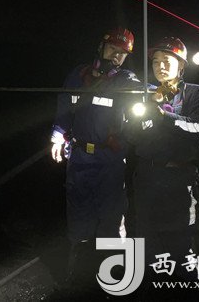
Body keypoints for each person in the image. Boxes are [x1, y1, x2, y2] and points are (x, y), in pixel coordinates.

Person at [50, 27, 140, 284]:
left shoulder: (123, 79)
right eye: (113, 49)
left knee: (111, 214)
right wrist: (57, 135)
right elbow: (64, 109)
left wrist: (158, 92)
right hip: (79, 157)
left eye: (122, 53)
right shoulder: (78, 75)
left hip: (109, 159)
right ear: (101, 47)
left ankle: (117, 272)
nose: (117, 56)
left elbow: (140, 87)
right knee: (79, 211)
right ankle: (79, 267)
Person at [128, 37, 199, 282]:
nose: (160, 66)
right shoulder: (145, 95)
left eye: (167, 60)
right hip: (148, 177)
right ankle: (152, 286)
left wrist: (164, 117)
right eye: (156, 62)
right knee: (148, 237)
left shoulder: (198, 93)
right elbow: (131, 136)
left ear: (182, 65)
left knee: (184, 238)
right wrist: (141, 114)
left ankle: (190, 286)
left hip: (180, 178)